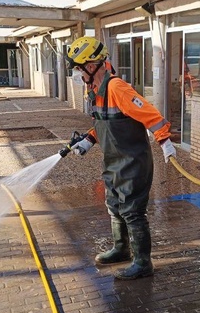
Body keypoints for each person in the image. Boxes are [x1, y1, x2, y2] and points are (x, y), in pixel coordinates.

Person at [66, 36, 176, 280]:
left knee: (133, 211)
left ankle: (143, 262)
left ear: (91, 65)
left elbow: (151, 114)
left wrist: (165, 141)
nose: (76, 73)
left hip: (132, 161)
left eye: (77, 67)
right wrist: (89, 140)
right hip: (113, 161)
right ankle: (121, 249)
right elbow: (104, 123)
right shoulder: (95, 90)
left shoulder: (117, 88)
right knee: (114, 206)